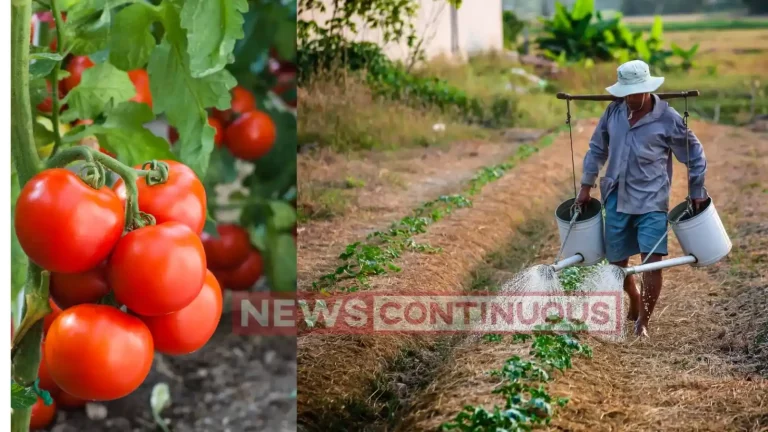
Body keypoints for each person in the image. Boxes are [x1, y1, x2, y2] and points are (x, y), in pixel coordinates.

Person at [575, 60, 708, 338]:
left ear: (647, 90)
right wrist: (586, 186)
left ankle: (642, 323)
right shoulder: (614, 112)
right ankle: (634, 297)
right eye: (625, 93)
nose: (629, 98)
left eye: (634, 93)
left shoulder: (667, 118)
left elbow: (694, 154)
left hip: (652, 200)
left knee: (652, 262)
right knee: (617, 264)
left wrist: (696, 190)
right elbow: (597, 149)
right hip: (616, 197)